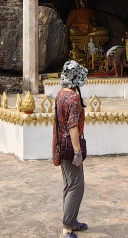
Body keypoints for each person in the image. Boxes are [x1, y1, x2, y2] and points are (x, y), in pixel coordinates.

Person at [53, 60, 89, 238]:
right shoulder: (73, 99)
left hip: (61, 144)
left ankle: (72, 220)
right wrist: (77, 151)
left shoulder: (61, 94)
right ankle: (67, 227)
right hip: (69, 147)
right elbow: (73, 126)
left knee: (70, 184)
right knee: (76, 185)